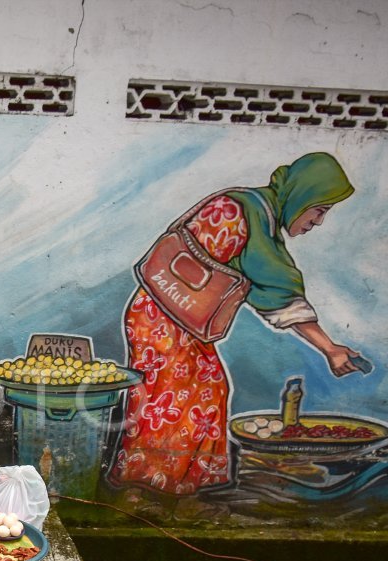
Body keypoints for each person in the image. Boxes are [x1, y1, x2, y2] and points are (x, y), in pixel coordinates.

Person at [108, 152, 362, 515]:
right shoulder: (252, 215)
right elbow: (277, 290)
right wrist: (330, 348)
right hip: (167, 321)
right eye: (319, 210)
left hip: (167, 314)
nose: (317, 222)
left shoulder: (245, 205)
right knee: (170, 401)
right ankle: (143, 490)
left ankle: (178, 489)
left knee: (206, 392)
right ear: (302, 195)